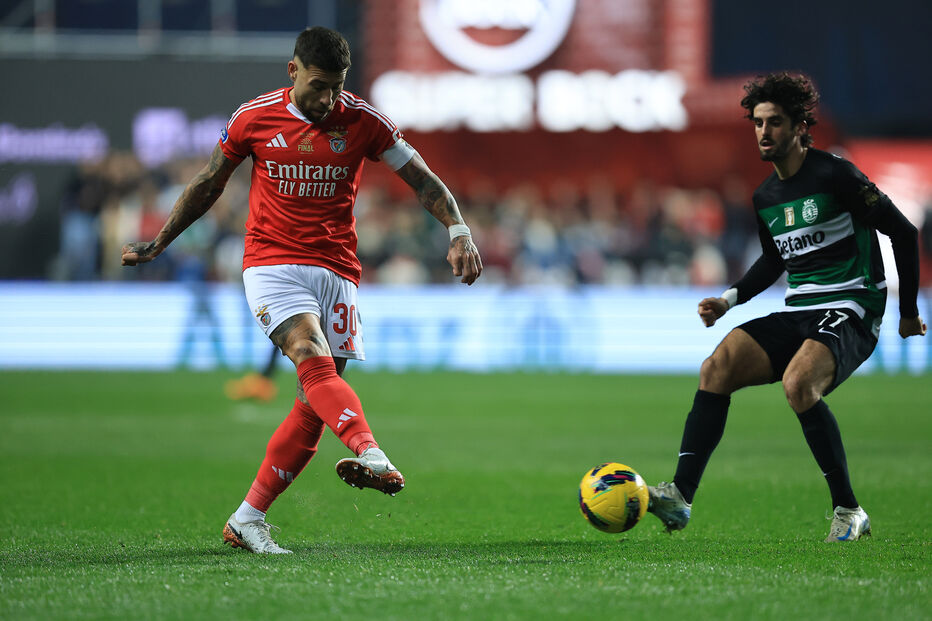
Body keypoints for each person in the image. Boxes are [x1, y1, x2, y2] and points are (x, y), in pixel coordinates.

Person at [122, 26, 482, 554]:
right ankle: (372, 452)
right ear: (293, 72)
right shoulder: (254, 117)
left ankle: (247, 519)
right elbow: (208, 183)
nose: (328, 98)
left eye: (337, 86)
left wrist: (459, 231)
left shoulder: (363, 121)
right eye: (318, 85)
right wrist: (160, 242)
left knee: (314, 404)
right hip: (272, 263)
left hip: (337, 271)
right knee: (308, 352)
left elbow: (423, 179)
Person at [646, 73, 926, 542]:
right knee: (716, 367)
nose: (764, 131)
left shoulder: (836, 175)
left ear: (799, 127)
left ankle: (848, 510)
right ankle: (680, 495)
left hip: (852, 304)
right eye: (757, 123)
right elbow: (774, 260)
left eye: (774, 122)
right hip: (800, 309)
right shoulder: (766, 197)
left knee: (799, 384)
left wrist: (907, 311)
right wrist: (728, 300)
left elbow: (904, 231)